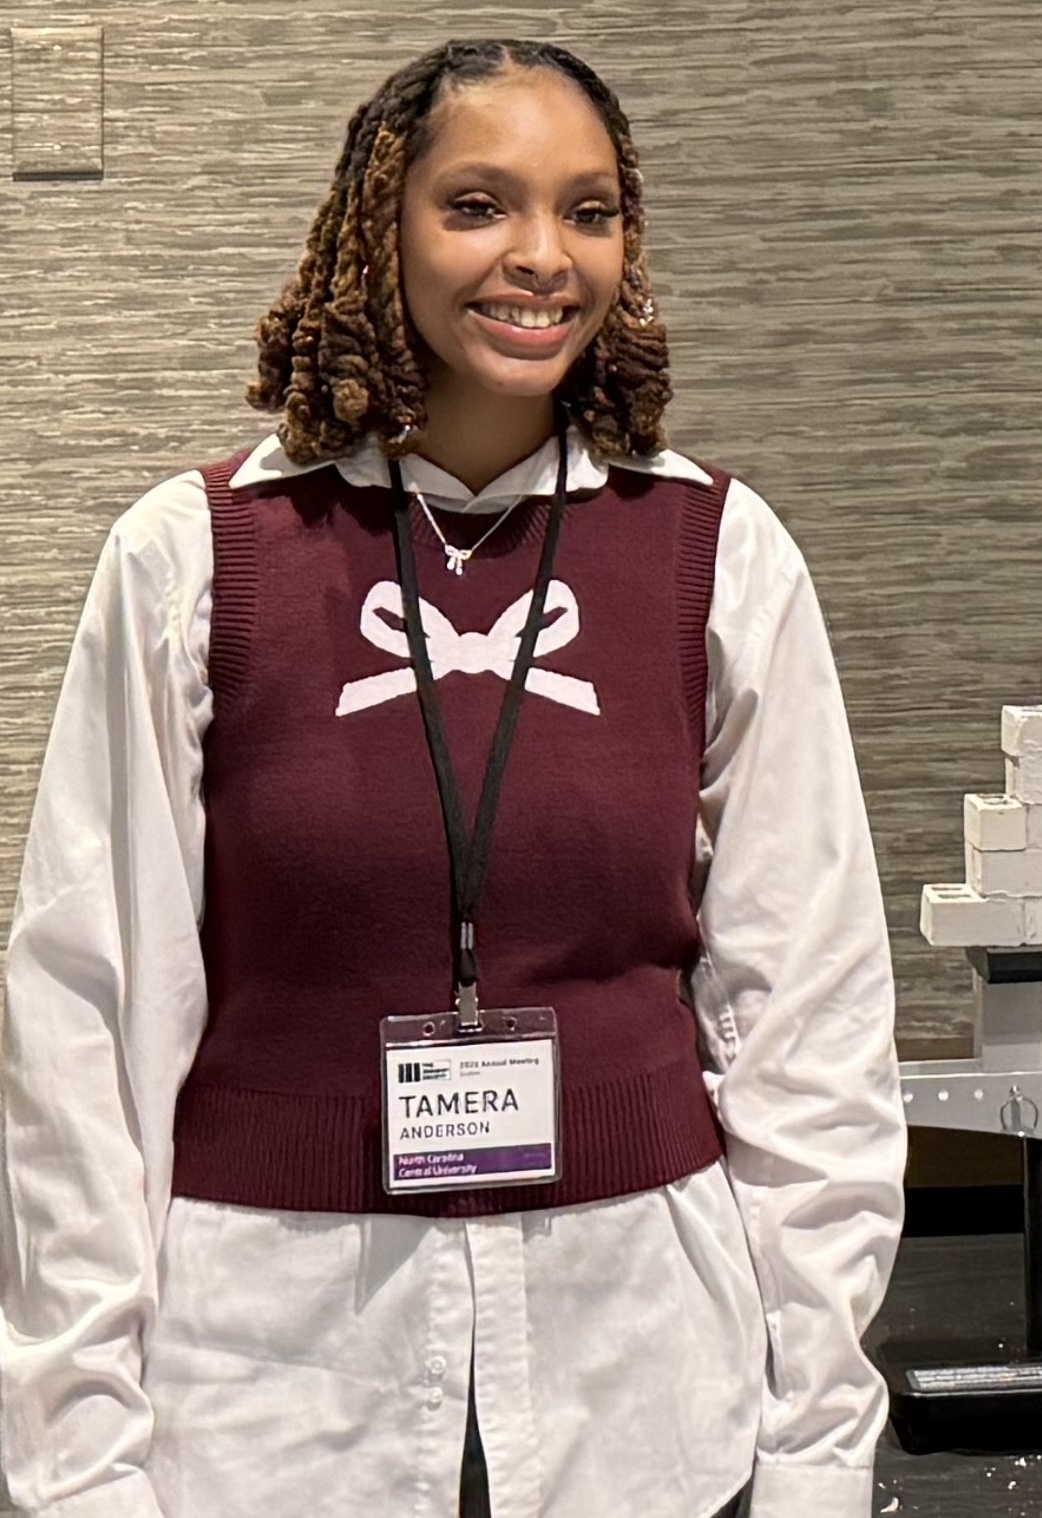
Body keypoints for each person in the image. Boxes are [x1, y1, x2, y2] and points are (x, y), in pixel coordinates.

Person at [0, 37, 905, 1518]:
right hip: (275, 1385)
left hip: (646, 1376)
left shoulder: (720, 558)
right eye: (478, 205)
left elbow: (805, 1022)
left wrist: (814, 1443)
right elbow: (87, 1032)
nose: (542, 257)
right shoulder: (193, 557)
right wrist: (76, 1460)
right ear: (380, 227)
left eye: (590, 210)